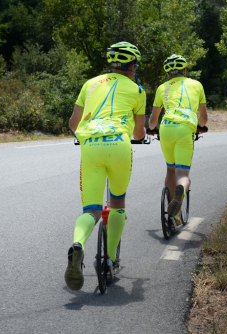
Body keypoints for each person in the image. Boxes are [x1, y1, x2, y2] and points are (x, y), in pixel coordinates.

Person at [65, 41, 147, 291]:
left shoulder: (90, 83)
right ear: (132, 65)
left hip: (90, 145)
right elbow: (140, 132)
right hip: (119, 144)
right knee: (118, 203)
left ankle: (78, 245)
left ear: (112, 63)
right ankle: (109, 260)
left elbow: (73, 124)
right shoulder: (138, 89)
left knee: (91, 211)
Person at [148, 54, 208, 222]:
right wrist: (201, 127)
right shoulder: (197, 84)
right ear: (185, 70)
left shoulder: (162, 88)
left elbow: (153, 120)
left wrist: (152, 130)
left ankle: (172, 216)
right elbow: (203, 117)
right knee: (182, 174)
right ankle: (181, 189)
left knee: (170, 169)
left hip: (166, 127)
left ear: (168, 74)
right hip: (185, 127)